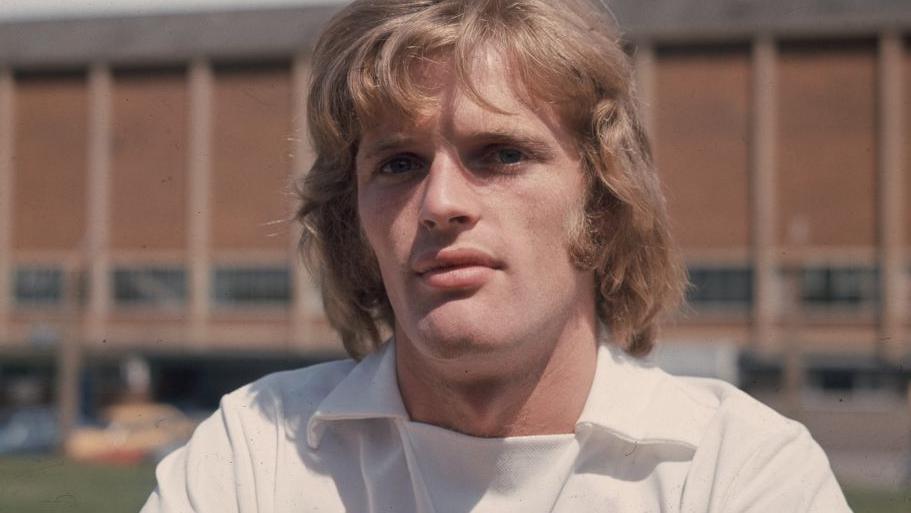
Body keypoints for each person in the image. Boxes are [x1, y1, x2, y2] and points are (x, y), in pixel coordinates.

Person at [142, 0, 852, 511]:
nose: (440, 201)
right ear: (352, 221)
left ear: (602, 200)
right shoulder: (256, 452)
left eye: (501, 154)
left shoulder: (734, 471)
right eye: (398, 164)